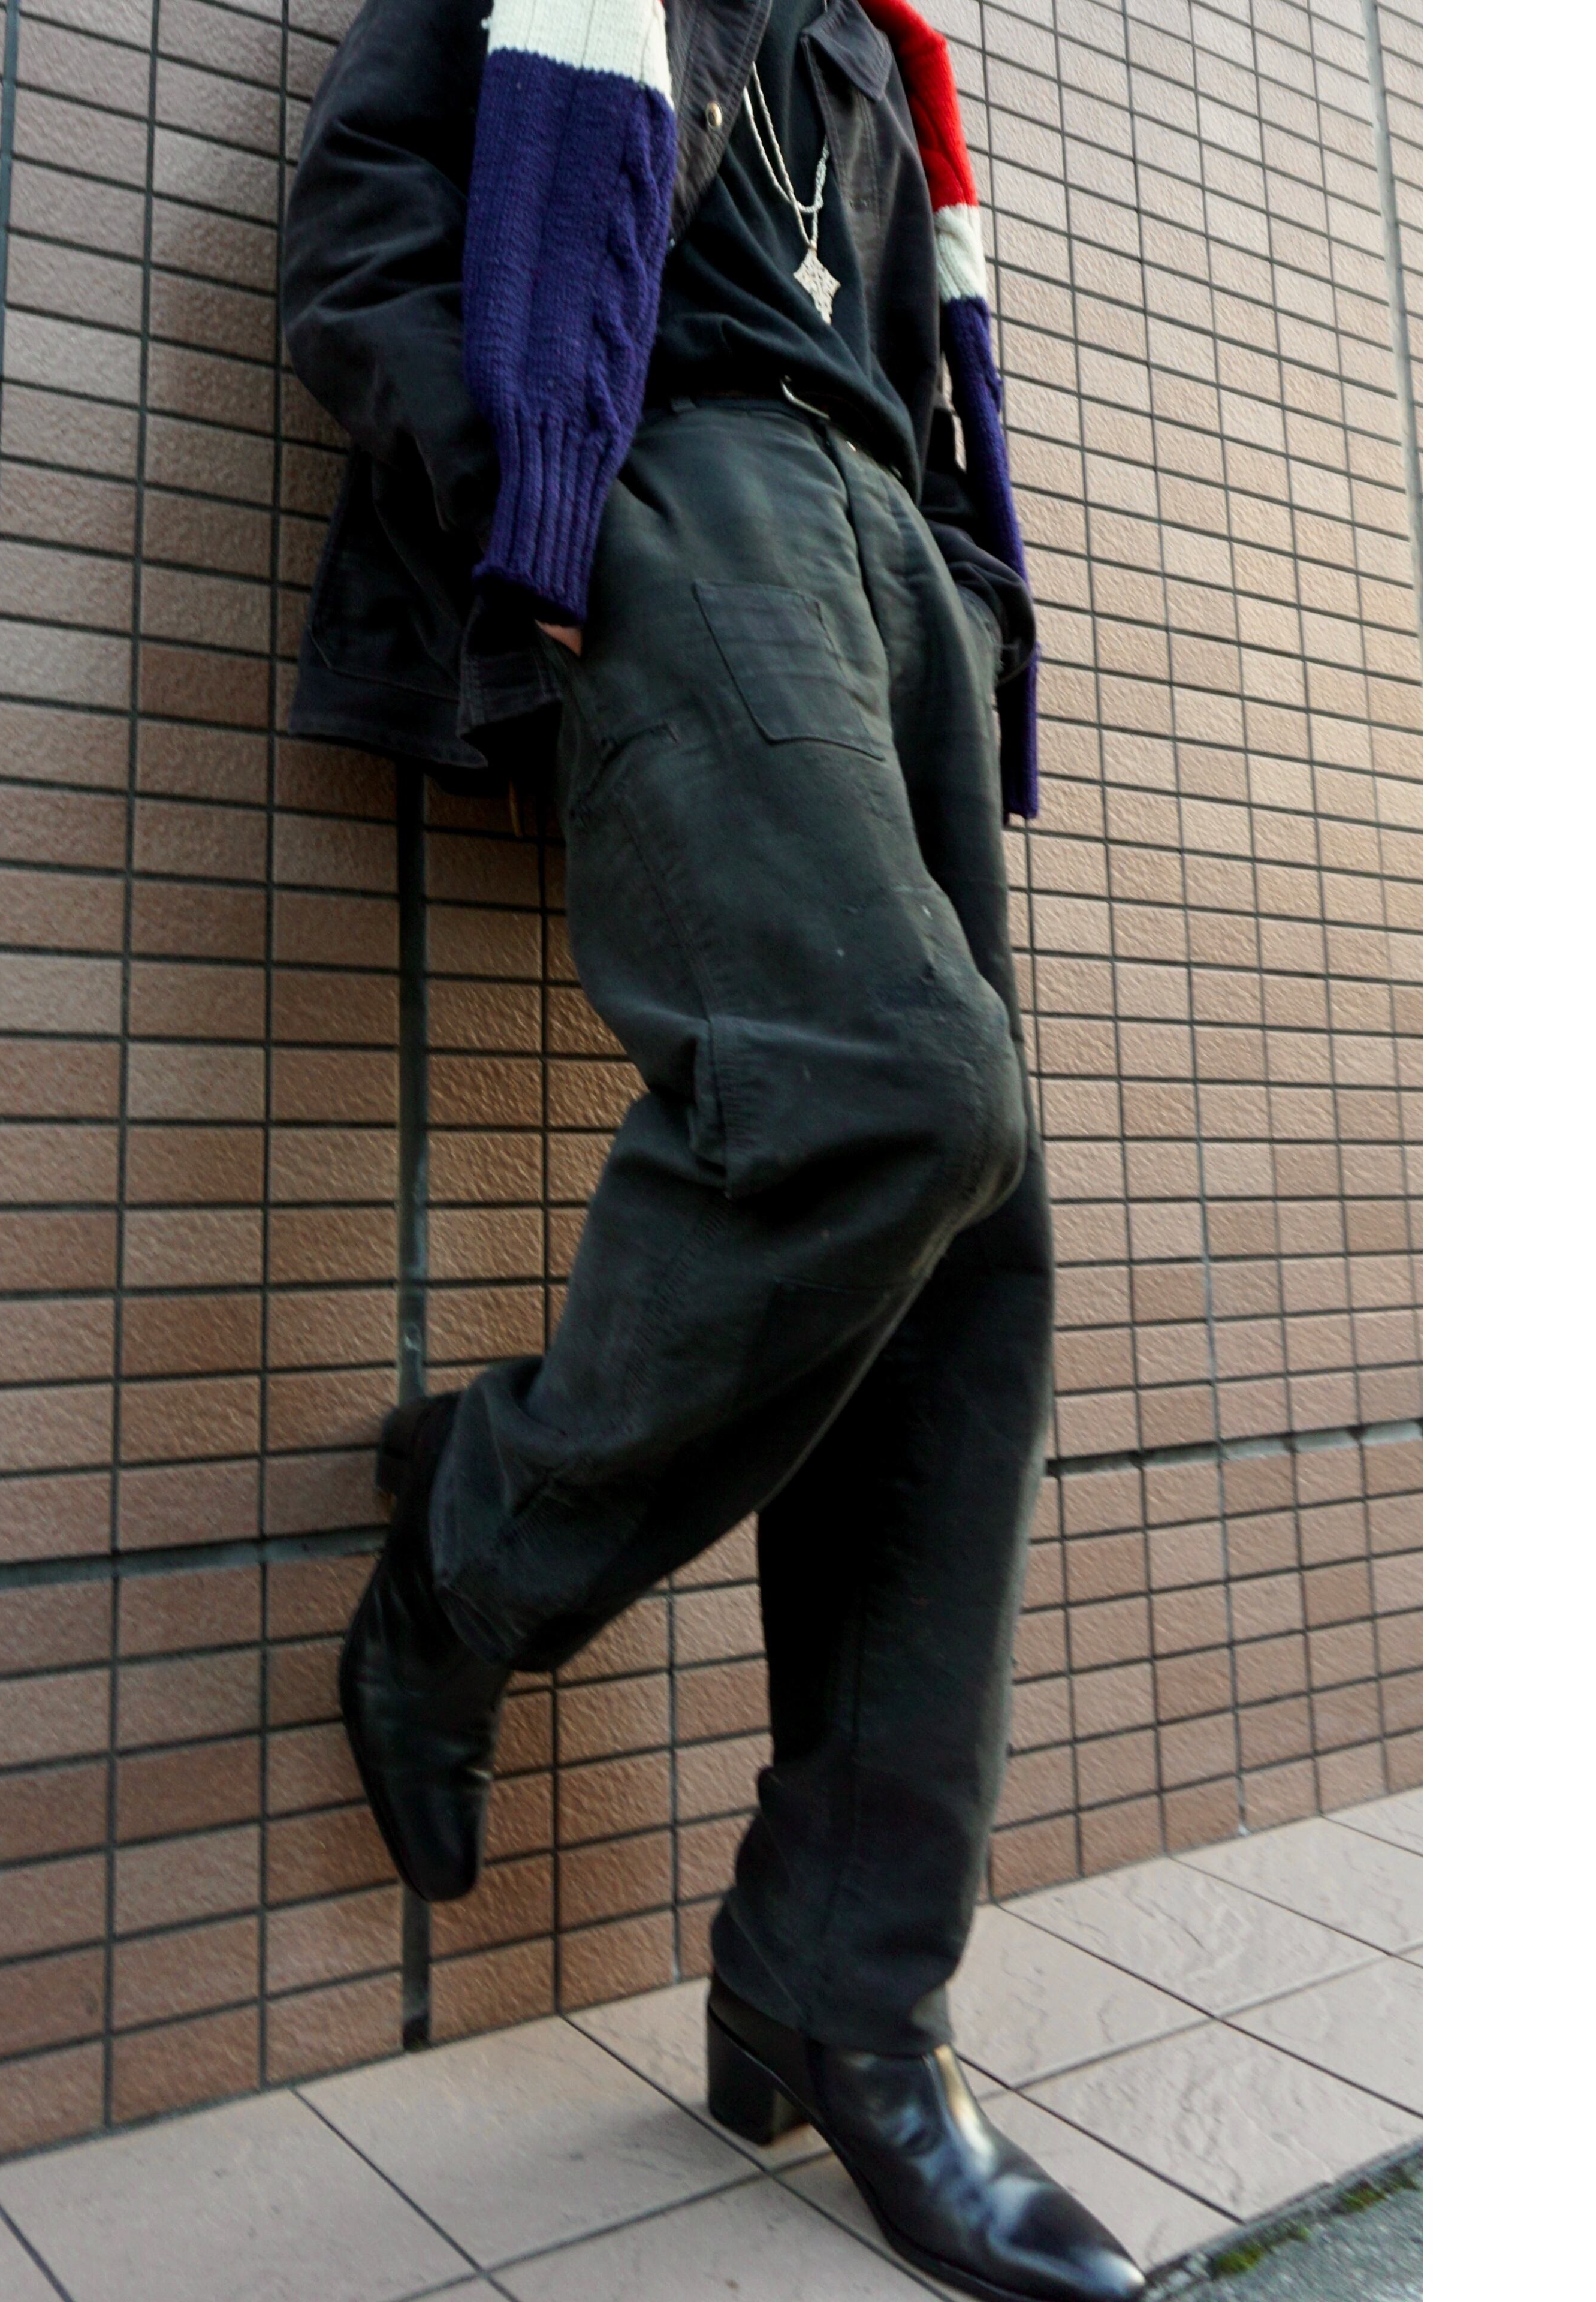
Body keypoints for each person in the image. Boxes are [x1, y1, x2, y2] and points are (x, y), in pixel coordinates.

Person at [282, 4, 1144, 2295]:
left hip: (894, 561)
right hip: (680, 473)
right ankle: (479, 1543)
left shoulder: (876, 54)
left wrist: (960, 580)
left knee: (971, 1277)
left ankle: (844, 2001)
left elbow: (906, 351)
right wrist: (534, 488)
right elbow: (361, 228)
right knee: (901, 1091)